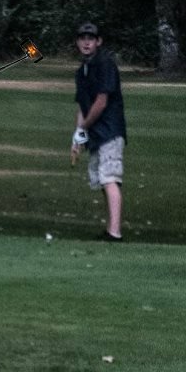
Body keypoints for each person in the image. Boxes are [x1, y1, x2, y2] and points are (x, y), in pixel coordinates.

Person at [71, 22, 127, 241]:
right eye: (83, 38)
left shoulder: (105, 64)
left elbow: (101, 102)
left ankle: (115, 232)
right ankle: (111, 227)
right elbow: (82, 105)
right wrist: (78, 135)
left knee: (109, 178)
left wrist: (84, 127)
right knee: (102, 179)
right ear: (78, 42)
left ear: (98, 41)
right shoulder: (82, 70)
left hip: (110, 130)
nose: (86, 42)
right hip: (96, 133)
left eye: (91, 39)